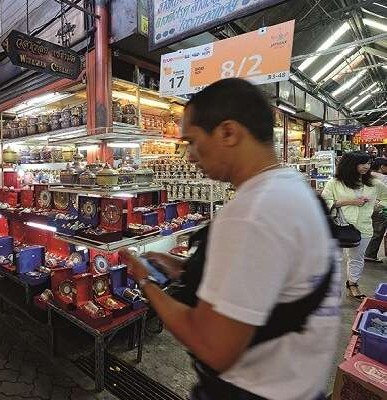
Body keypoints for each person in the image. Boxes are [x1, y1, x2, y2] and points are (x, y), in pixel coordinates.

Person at [119, 79, 340, 400]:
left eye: (192, 141)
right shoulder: (292, 188)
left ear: (228, 132)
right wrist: (181, 268)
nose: (190, 156)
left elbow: (212, 346)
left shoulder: (251, 213)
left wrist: (147, 284)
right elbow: (266, 284)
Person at [322, 151, 387, 298]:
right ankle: (332, 287)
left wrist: (378, 205)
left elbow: (385, 198)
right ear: (350, 165)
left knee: (357, 258)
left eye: (369, 163)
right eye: (362, 163)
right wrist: (350, 202)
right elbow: (325, 202)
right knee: (335, 259)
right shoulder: (335, 183)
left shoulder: (374, 183)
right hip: (338, 227)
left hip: (363, 226)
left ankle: (352, 283)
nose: (366, 166)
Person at [365, 158, 387, 262]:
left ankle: (366, 252)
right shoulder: (384, 178)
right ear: (382, 166)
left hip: (368, 206)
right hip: (380, 207)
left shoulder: (368, 176)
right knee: (378, 232)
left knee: (371, 230)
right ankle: (370, 254)